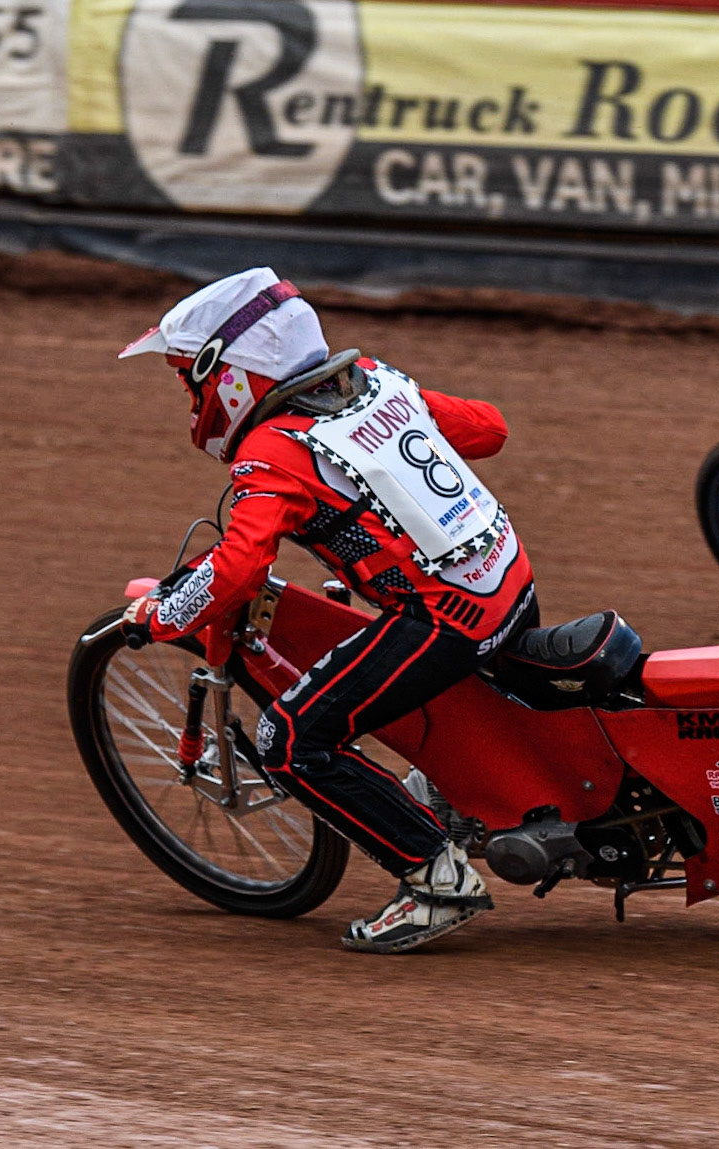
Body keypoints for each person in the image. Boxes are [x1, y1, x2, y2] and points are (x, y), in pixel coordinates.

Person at [118, 268, 536, 953]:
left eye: (188, 381)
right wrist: (404, 430)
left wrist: (162, 616)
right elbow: (488, 428)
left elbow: (242, 564)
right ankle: (454, 801)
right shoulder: (377, 381)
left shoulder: (270, 453)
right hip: (511, 581)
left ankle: (436, 879)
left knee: (291, 739)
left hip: (447, 621)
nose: (188, 399)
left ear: (229, 374)